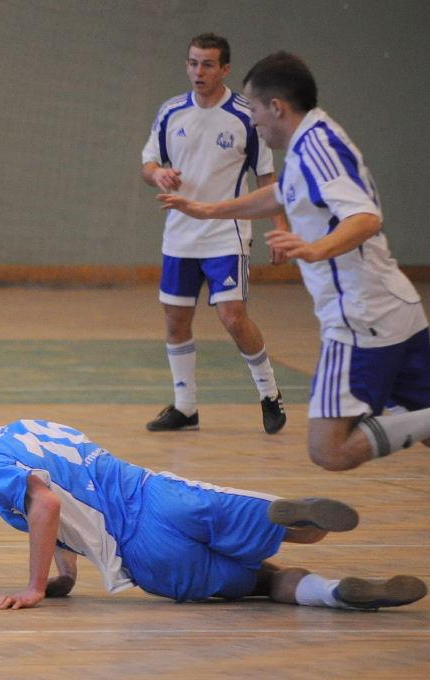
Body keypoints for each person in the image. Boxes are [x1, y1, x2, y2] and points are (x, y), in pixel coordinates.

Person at [157, 51, 430, 482]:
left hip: (361, 315)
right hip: (394, 308)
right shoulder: (311, 139)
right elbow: (281, 195)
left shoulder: (317, 149)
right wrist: (208, 210)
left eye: (255, 109)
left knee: (329, 449)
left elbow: (365, 218)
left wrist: (316, 250)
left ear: (277, 107)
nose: (253, 120)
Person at [0, 391, 428, 611]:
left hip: (146, 553)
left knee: (265, 582)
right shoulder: (31, 427)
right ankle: (296, 520)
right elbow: (66, 497)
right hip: (160, 495)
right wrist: (65, 576)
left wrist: (34, 588)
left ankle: (333, 593)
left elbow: (46, 508)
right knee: (274, 525)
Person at [140, 33, 290, 435]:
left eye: (207, 64)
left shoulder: (244, 116)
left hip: (227, 233)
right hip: (180, 234)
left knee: (232, 317)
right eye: (193, 63)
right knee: (175, 320)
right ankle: (186, 408)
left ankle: (270, 394)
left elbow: (267, 178)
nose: (198, 71)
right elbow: (148, 164)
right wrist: (159, 174)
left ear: (225, 69)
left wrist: (281, 230)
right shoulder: (171, 111)